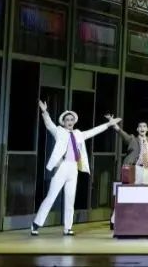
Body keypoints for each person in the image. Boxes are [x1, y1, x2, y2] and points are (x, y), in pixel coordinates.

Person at [30, 101, 121, 236]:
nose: (70, 122)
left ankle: (68, 227)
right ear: (63, 122)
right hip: (62, 167)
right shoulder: (59, 131)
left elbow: (93, 131)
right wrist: (44, 111)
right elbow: (49, 124)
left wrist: (108, 124)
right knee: (51, 197)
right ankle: (36, 224)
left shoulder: (78, 133)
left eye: (71, 119)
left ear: (74, 121)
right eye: (67, 120)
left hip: (73, 168)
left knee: (70, 199)